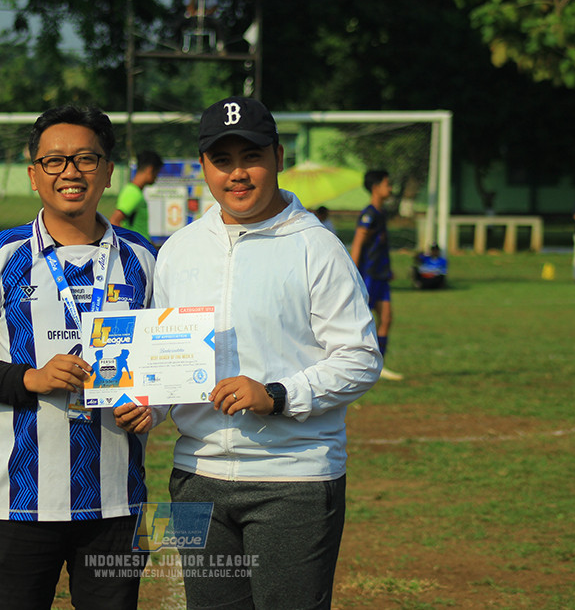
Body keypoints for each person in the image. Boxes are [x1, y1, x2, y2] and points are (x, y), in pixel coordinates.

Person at [116, 96, 381, 610]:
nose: (237, 174)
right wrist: (150, 403)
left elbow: (360, 357)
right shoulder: (179, 249)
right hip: (195, 480)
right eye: (222, 160)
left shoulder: (317, 247)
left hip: (294, 481)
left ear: (278, 157)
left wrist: (278, 395)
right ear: (203, 169)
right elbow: (170, 363)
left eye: (251, 157)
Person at [0, 106, 158, 610]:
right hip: (20, 503)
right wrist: (31, 378)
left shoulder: (143, 257)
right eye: (54, 161)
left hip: (117, 503)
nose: (70, 172)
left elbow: (165, 361)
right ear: (34, 174)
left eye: (85, 158)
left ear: (107, 170)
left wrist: (153, 406)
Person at [349, 169, 403, 381]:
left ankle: (379, 366)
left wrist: (387, 269)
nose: (390, 189)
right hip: (368, 275)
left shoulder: (380, 214)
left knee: (387, 319)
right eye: (387, 184)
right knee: (359, 324)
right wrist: (352, 272)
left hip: (380, 276)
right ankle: (353, 365)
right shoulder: (369, 214)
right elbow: (358, 242)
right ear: (376, 187)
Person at [108, 149, 163, 242]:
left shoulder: (135, 191)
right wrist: (130, 246)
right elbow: (114, 221)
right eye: (157, 173)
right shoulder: (133, 193)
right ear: (150, 170)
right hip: (137, 252)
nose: (156, 177)